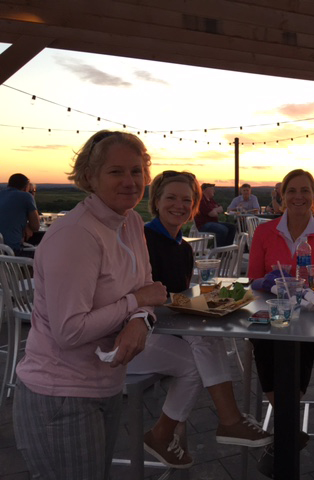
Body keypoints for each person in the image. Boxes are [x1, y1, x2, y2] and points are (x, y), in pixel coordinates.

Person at [13, 130, 168, 480]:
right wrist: (135, 302)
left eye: (136, 171)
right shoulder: (76, 234)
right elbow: (70, 331)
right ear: (89, 177)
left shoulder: (129, 222)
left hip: (105, 384)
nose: (130, 181)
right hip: (61, 396)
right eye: (116, 172)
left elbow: (148, 289)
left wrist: (139, 319)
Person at [128, 171, 272, 468]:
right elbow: (142, 299)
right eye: (171, 197)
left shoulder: (182, 248)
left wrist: (206, 302)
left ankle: (162, 433)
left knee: (203, 340)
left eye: (187, 199)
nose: (179, 205)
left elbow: (174, 299)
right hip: (128, 339)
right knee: (202, 336)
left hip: (161, 334)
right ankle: (230, 419)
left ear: (195, 206)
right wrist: (193, 306)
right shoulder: (141, 241)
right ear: (155, 201)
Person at [247, 169, 314, 477]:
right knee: (262, 340)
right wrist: (272, 282)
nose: (298, 196)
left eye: (305, 190)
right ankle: (288, 429)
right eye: (292, 191)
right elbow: (252, 280)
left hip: (307, 315)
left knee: (301, 344)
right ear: (281, 196)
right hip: (269, 310)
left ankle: (282, 431)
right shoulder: (264, 232)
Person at [0, 173, 40, 256]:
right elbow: (36, 226)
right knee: (49, 254)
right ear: (26, 187)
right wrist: (28, 226)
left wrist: (25, 226)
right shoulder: (26, 196)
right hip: (12, 252)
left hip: (2, 251)